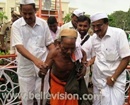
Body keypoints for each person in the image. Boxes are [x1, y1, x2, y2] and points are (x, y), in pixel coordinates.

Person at [11, 0, 55, 105]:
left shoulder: (43, 24)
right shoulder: (16, 26)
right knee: (27, 100)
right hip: (26, 69)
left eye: (30, 13)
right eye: (24, 13)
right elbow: (19, 47)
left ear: (35, 10)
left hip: (43, 68)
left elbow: (50, 44)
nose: (27, 16)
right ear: (20, 11)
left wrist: (51, 60)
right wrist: (36, 61)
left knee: (42, 98)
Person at [39, 29, 91, 105]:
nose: (69, 52)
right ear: (59, 44)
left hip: (71, 84)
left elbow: (84, 55)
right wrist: (42, 72)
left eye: (72, 48)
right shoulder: (53, 53)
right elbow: (43, 73)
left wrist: (84, 66)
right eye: (65, 48)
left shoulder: (78, 51)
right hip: (57, 84)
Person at [90, 12, 130, 105]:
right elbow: (97, 56)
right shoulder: (93, 39)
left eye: (99, 25)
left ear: (107, 23)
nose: (96, 29)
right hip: (98, 82)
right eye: (93, 26)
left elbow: (126, 57)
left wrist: (113, 78)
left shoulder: (118, 34)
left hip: (115, 82)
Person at [76, 15, 93, 87]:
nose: (82, 28)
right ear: (76, 25)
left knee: (83, 92)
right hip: (71, 70)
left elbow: (94, 56)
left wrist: (86, 66)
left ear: (89, 26)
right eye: (80, 25)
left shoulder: (92, 40)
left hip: (85, 70)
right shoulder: (72, 37)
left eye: (85, 26)